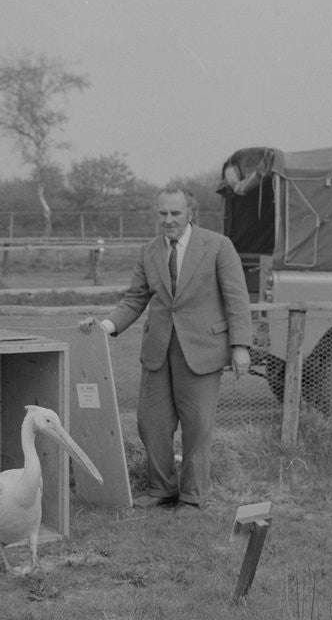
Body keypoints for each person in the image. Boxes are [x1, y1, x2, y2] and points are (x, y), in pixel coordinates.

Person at [80, 184, 254, 509]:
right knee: (151, 423)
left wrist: (240, 345)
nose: (169, 220)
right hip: (158, 352)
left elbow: (236, 298)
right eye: (163, 213)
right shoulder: (149, 251)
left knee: (197, 427)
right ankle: (162, 489)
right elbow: (135, 298)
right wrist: (105, 326)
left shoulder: (218, 246)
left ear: (191, 212)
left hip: (202, 352)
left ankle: (192, 496)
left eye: (175, 213)